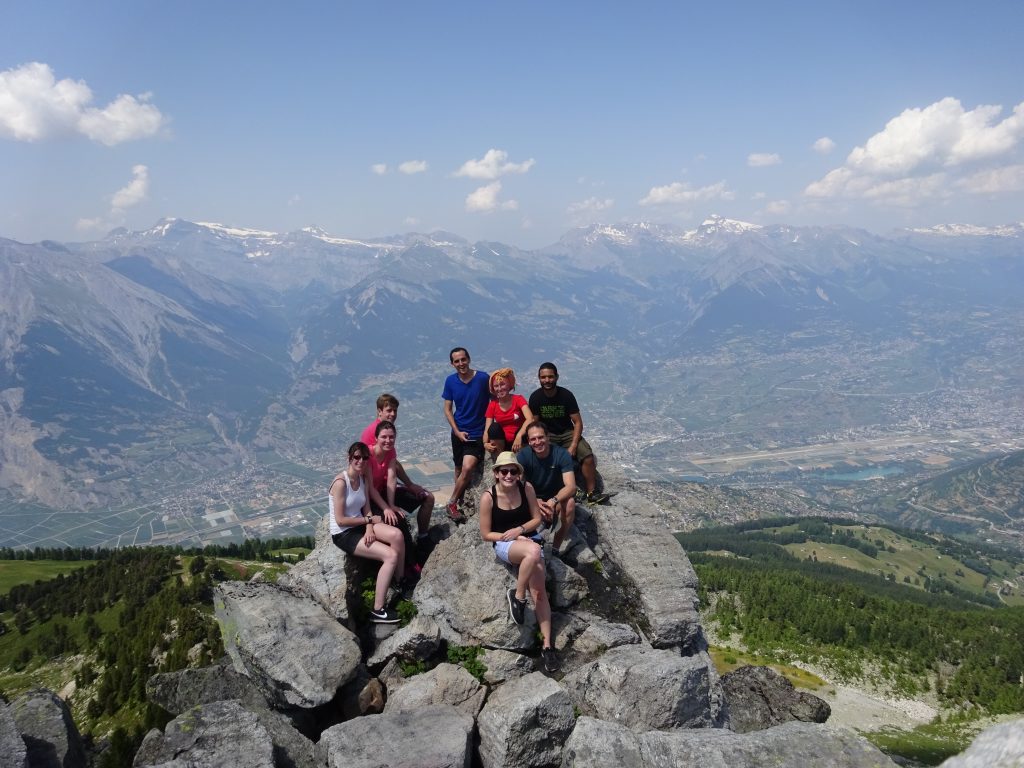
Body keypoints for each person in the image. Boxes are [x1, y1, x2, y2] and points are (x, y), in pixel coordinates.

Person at [478, 451, 560, 673]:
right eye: (504, 471)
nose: (508, 475)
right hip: (505, 543)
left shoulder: (527, 488)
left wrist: (521, 530)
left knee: (540, 592)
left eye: (513, 471)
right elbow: (486, 534)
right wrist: (513, 536)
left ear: (518, 473)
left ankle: (547, 645)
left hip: (527, 538)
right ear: (496, 473)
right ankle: (518, 596)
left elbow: (536, 518)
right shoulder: (489, 497)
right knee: (533, 552)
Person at [329, 442, 405, 623]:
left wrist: (369, 527)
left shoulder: (362, 479)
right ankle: (378, 609)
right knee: (390, 555)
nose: (361, 461)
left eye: (364, 458)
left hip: (361, 525)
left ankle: (399, 581)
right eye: (356, 457)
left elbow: (367, 508)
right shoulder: (341, 483)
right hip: (344, 534)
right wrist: (368, 522)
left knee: (397, 535)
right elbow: (340, 520)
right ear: (349, 458)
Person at [528, 362, 609, 504]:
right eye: (543, 377)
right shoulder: (536, 398)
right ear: (539, 378)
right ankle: (566, 489)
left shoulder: (566, 395)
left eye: (550, 377)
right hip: (548, 434)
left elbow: (577, 422)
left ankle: (591, 493)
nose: (547, 380)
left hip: (567, 432)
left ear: (557, 377)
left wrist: (573, 445)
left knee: (587, 456)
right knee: (549, 460)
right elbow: (535, 424)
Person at [366, 419, 435, 566]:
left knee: (426, 498)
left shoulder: (390, 452)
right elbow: (369, 488)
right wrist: (386, 509)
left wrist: (391, 505)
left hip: (382, 492)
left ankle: (421, 542)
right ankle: (407, 566)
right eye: (384, 437)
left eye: (391, 437)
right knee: (396, 521)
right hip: (367, 500)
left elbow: (391, 477)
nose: (388, 440)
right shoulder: (368, 455)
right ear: (376, 438)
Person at [441, 347, 490, 523]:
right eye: (457, 361)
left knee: (468, 467)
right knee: (458, 468)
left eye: (463, 359)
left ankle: (451, 502)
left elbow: (495, 399)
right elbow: (447, 409)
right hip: (459, 430)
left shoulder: (483, 378)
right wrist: (456, 430)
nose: (461, 363)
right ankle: (460, 499)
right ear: (452, 363)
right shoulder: (450, 381)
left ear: (469, 359)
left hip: (477, 432)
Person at [516, 421, 577, 552]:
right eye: (533, 439)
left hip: (556, 500)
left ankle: (555, 548)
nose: (537, 442)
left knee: (570, 503)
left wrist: (553, 501)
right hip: (534, 500)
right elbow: (516, 484)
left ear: (548, 437)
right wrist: (534, 501)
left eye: (540, 437)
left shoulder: (561, 454)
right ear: (529, 441)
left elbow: (571, 486)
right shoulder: (524, 455)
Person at [483, 368, 534, 458]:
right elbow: (488, 428)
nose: (499, 388)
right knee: (494, 427)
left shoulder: (518, 399)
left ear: (509, 384)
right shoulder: (493, 405)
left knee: (523, 430)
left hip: (518, 441)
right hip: (502, 442)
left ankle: (520, 461)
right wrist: (485, 443)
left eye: (502, 384)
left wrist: (519, 436)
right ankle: (500, 460)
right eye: (496, 386)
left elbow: (530, 419)